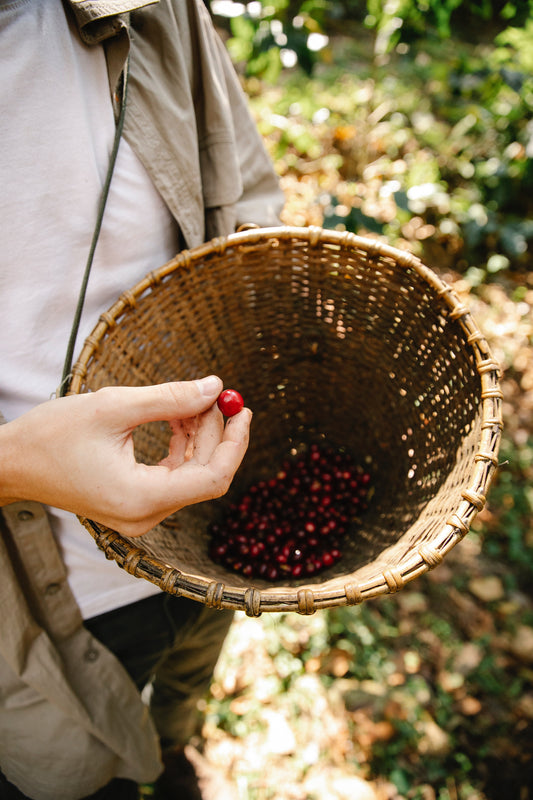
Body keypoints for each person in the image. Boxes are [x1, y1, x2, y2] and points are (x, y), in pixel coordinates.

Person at [0, 1, 285, 799]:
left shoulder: (150, 5)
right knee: (79, 774)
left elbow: (246, 187)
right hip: (43, 624)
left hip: (209, 532)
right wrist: (13, 465)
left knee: (179, 701)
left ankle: (175, 750)